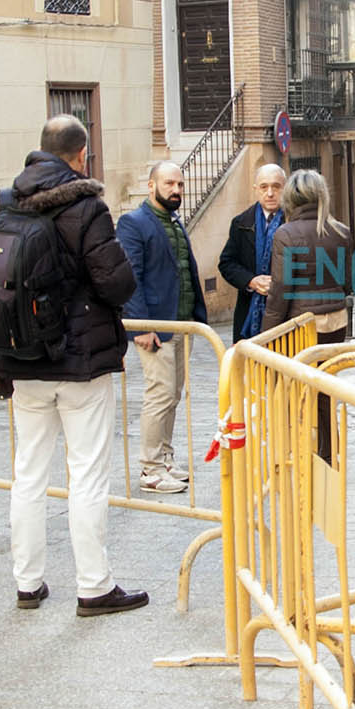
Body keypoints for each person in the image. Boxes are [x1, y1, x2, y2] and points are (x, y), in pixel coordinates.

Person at [0, 115, 148, 616]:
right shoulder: (85, 204)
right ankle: (94, 586)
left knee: (28, 473)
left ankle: (27, 583)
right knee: (87, 475)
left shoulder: (2, 201)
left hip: (22, 355)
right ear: (80, 155)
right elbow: (117, 283)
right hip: (80, 362)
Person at [118, 161, 207, 494]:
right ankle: (151, 469)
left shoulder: (173, 222)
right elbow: (130, 277)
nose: (176, 190)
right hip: (154, 326)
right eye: (169, 183)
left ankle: (165, 457)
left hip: (182, 323)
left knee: (173, 395)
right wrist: (140, 325)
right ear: (151, 185)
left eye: (180, 185)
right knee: (159, 395)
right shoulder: (133, 223)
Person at [260, 169, 354, 459]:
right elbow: (348, 282)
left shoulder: (285, 234)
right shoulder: (341, 232)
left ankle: (297, 453)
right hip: (336, 322)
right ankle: (328, 453)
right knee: (325, 391)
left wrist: (266, 337)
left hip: (300, 325)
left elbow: (280, 292)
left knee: (294, 390)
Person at [218, 163, 286, 341]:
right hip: (248, 311)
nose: (270, 193)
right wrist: (251, 281)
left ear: (285, 188)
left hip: (285, 313)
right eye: (264, 187)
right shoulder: (241, 223)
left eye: (276, 187)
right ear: (256, 189)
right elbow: (227, 263)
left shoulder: (294, 223)